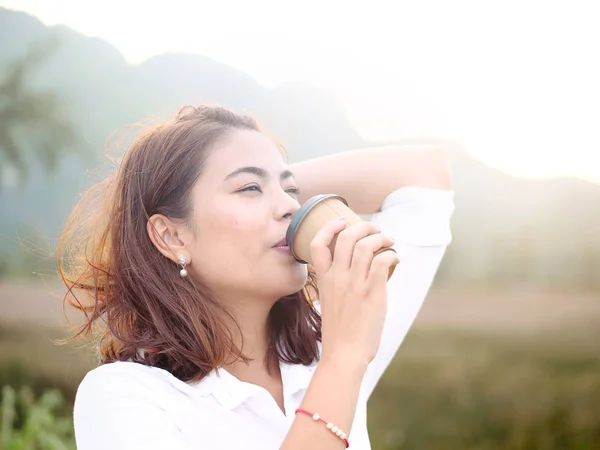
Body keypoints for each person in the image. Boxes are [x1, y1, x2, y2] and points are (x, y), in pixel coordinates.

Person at [59, 104, 454, 450]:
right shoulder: (126, 397)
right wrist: (344, 361)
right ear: (171, 235)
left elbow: (423, 176)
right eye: (248, 188)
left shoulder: (328, 341)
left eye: (292, 191)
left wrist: (265, 185)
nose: (288, 207)